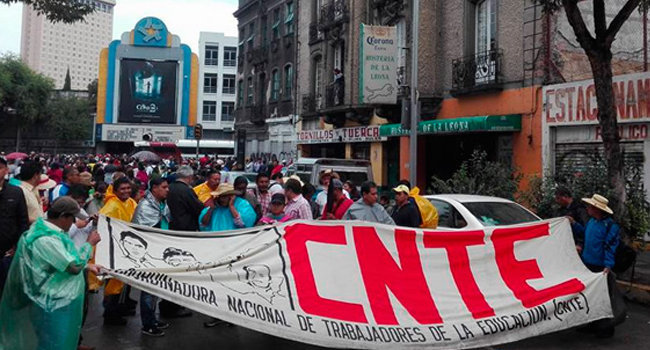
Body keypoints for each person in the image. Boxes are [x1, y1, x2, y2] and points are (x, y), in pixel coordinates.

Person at [0, 196, 102, 350]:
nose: (74, 223)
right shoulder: (47, 239)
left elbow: (57, 261)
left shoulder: (44, 230)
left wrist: (87, 266)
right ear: (62, 217)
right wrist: (89, 244)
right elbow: (73, 266)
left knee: (52, 341)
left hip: (50, 298)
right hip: (52, 302)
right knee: (54, 342)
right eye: (72, 218)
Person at [199, 183, 256, 328]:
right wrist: (211, 209)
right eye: (220, 196)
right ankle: (217, 314)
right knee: (216, 284)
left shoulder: (243, 205)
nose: (221, 199)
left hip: (235, 251)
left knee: (233, 284)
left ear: (231, 196)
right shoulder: (214, 207)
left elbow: (244, 224)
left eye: (224, 197)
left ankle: (233, 315)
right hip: (216, 252)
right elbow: (203, 224)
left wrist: (231, 207)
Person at [570, 193, 620, 338]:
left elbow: (611, 246)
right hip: (588, 264)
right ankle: (592, 325)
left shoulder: (610, 226)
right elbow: (585, 234)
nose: (587, 209)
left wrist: (608, 265)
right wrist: (574, 224)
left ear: (596, 209)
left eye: (590, 207)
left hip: (600, 268)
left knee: (603, 298)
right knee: (591, 297)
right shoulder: (592, 222)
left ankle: (606, 329)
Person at [132, 177, 172, 336]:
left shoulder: (163, 204)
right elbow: (141, 232)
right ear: (154, 188)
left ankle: (152, 319)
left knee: (156, 288)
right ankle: (147, 324)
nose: (167, 190)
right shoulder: (145, 207)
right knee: (148, 289)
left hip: (161, 250)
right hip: (149, 253)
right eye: (164, 187)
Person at [99, 177, 138, 325]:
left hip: (126, 248)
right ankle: (110, 315)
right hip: (114, 250)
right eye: (122, 189)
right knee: (113, 284)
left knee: (121, 283)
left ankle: (117, 310)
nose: (126, 191)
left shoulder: (130, 202)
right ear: (115, 191)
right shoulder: (112, 206)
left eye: (128, 188)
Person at [0, 157, 30, 296]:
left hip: (7, 252)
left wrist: (17, 245)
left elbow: (23, 221)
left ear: (6, 170)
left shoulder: (15, 192)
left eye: (0, 168)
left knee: (6, 290)